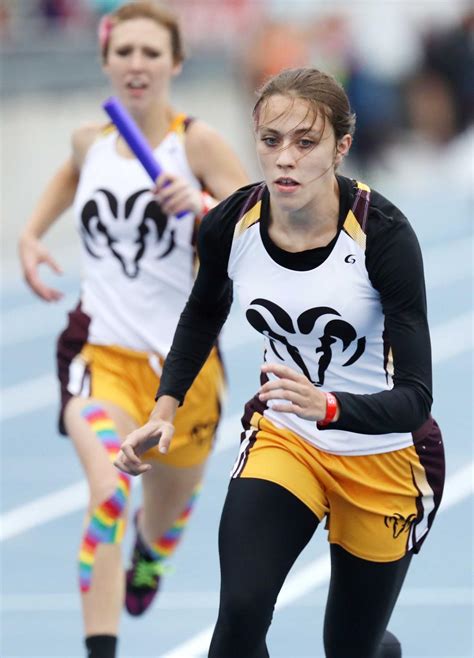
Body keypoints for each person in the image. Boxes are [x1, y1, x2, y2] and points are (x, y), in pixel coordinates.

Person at [116, 66, 445, 658]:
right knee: (239, 616)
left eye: (306, 141)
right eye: (271, 141)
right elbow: (200, 316)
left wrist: (331, 404)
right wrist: (164, 410)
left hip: (384, 458)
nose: (285, 158)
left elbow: (418, 398)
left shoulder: (384, 235)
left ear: (342, 147)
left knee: (351, 647)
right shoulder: (230, 225)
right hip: (286, 440)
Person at [18, 3, 248, 658]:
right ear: (105, 60)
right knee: (109, 493)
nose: (137, 65)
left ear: (175, 62)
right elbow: (70, 176)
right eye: (125, 52)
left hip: (185, 375)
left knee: (162, 511)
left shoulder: (196, 143)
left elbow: (262, 228)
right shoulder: (91, 140)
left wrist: (201, 205)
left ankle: (155, 547)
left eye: (151, 53)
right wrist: (32, 234)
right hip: (103, 357)